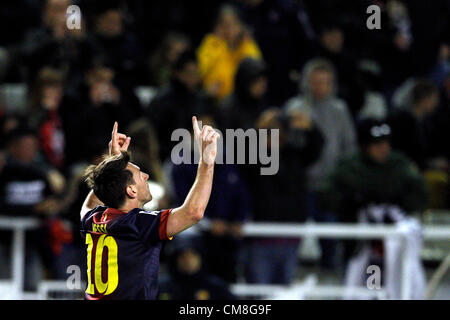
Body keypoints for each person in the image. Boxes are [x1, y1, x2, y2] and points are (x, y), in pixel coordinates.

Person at [80, 118, 219, 300]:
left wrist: (113, 163)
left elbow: (93, 199)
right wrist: (207, 161)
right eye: (140, 175)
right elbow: (193, 212)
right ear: (131, 190)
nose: (146, 176)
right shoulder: (139, 223)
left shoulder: (93, 218)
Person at [284, 58, 357, 269]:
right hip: (300, 186)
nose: (320, 86)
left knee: (330, 238)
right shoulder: (294, 107)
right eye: (316, 81)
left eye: (325, 81)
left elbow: (348, 145)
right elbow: (287, 147)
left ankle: (330, 278)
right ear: (307, 82)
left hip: (330, 186)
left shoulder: (340, 109)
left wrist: (341, 177)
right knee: (294, 237)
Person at [197, 4, 262, 100]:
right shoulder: (211, 43)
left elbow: (257, 74)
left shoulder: (247, 45)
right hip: (213, 101)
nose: (229, 30)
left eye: (233, 24)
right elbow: (200, 71)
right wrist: (218, 44)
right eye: (224, 25)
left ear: (241, 25)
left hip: (243, 102)